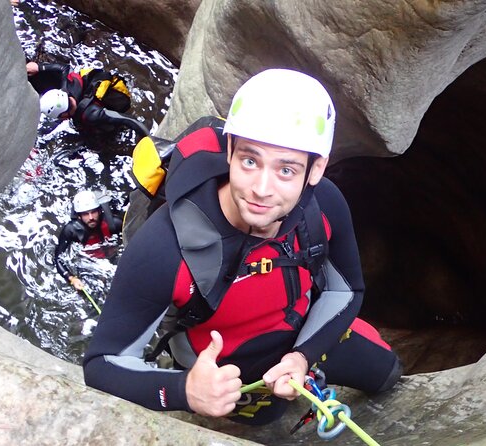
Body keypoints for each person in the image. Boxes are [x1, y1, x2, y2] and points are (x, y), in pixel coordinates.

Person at [82, 69, 402, 425]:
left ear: (316, 169)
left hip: (306, 335)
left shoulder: (324, 204)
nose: (262, 189)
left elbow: (345, 288)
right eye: (250, 161)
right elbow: (101, 364)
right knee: (268, 419)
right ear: (230, 150)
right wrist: (184, 390)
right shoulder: (164, 247)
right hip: (234, 374)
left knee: (388, 374)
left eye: (286, 171)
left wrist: (303, 356)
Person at [26, 61, 149, 138]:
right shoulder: (67, 87)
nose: (60, 119)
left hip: (113, 105)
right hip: (93, 95)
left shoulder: (91, 114)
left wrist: (148, 138)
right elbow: (64, 68)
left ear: (64, 114)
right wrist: (39, 67)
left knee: (96, 137)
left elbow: (129, 120)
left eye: (59, 117)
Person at [55, 190, 123, 291]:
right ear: (79, 216)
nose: (91, 218)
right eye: (86, 214)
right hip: (89, 262)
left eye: (93, 212)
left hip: (113, 256)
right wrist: (72, 279)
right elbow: (58, 258)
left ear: (99, 211)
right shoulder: (71, 231)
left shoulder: (114, 224)